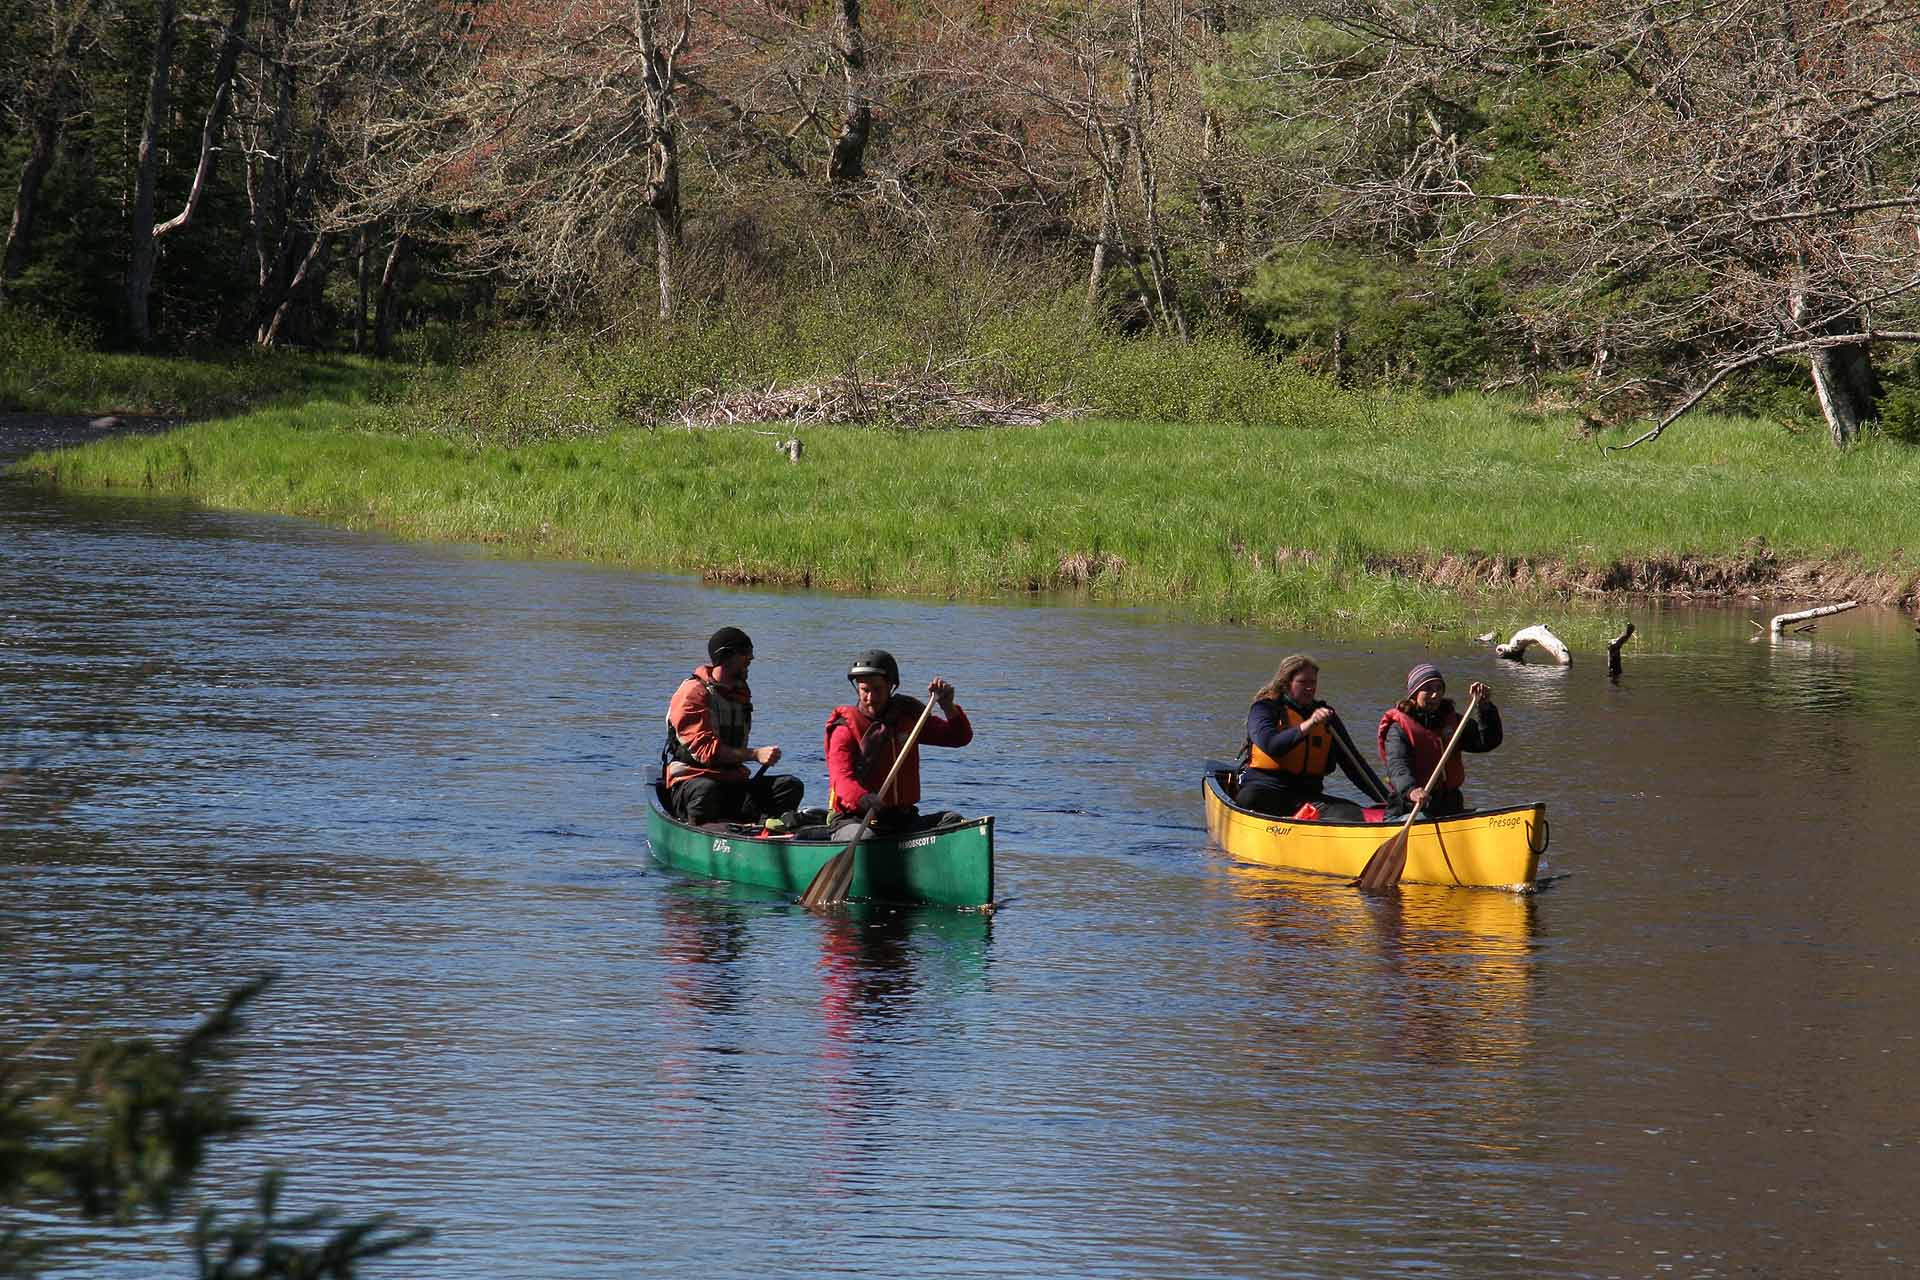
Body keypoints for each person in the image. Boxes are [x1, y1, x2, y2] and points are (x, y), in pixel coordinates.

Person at [662, 626, 805, 826]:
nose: (751, 659)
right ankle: (703, 832)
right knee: (707, 791)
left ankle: (760, 830)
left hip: (733, 783)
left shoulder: (739, 692)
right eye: (745, 654)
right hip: (692, 783)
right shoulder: (693, 693)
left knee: (790, 786)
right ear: (726, 656)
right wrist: (755, 754)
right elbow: (706, 752)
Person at [824, 649, 973, 839]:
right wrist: (862, 797)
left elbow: (958, 737)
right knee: (865, 838)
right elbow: (840, 777)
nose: (870, 698)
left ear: (890, 686)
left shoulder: (908, 717)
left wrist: (948, 706)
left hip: (901, 820)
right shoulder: (844, 729)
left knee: (954, 822)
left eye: (877, 689)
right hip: (855, 820)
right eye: (865, 690)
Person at [1237, 653, 1385, 821]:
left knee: (1354, 813)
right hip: (1264, 793)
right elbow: (1272, 745)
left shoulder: (1326, 716)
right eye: (1302, 682)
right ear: (1286, 683)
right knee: (1250, 798)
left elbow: (1354, 765)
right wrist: (1309, 724)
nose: (1310, 688)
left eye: (1313, 682)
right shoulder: (1264, 709)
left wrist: (1387, 800)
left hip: (1307, 799)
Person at [1377, 662, 1502, 818]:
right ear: (1414, 694)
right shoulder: (1398, 730)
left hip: (1450, 806)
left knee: (1488, 816)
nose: (1435, 694)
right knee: (1423, 819)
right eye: (1428, 689)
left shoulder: (1453, 721)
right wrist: (1412, 791)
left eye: (1439, 688)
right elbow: (1398, 767)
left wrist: (1485, 707)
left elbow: (1487, 741)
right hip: (1410, 809)